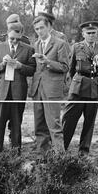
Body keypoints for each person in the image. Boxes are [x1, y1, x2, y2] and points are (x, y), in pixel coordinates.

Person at [0, 22, 36, 152]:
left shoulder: (28, 49)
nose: (14, 41)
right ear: (7, 34)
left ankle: (16, 154)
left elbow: (32, 70)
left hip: (18, 92)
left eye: (17, 39)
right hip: (1, 92)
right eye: (12, 39)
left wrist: (21, 67)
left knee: (16, 125)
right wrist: (2, 64)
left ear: (21, 35)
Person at [62, 21, 98, 155]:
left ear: (97, 33)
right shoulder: (76, 47)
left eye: (94, 33)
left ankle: (84, 151)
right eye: (88, 33)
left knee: (89, 121)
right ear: (83, 34)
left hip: (94, 87)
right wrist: (75, 82)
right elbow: (71, 69)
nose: (91, 35)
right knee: (69, 118)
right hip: (79, 87)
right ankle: (62, 148)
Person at [30, 15, 70, 153]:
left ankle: (60, 160)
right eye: (36, 29)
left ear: (49, 27)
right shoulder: (35, 45)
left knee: (54, 125)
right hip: (37, 90)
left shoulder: (60, 44)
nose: (39, 31)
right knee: (39, 126)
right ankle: (43, 157)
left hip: (52, 90)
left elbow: (65, 67)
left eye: (42, 28)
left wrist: (47, 62)